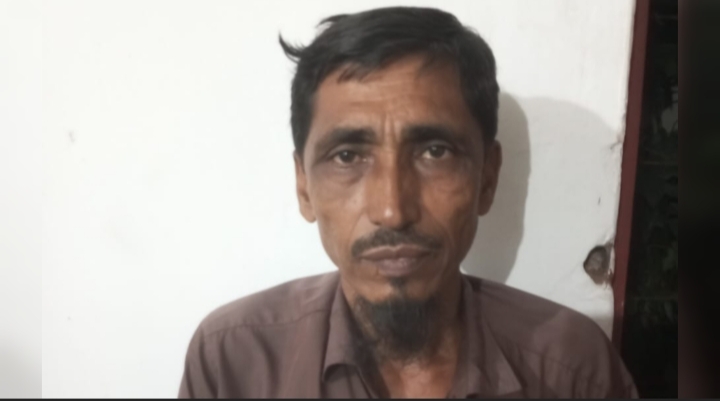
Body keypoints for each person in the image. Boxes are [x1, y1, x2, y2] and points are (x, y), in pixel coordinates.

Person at [178, 7, 637, 398]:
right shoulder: (233, 362)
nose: (393, 211)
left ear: (487, 178)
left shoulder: (572, 369)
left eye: (435, 152)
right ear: (303, 186)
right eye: (347, 156)